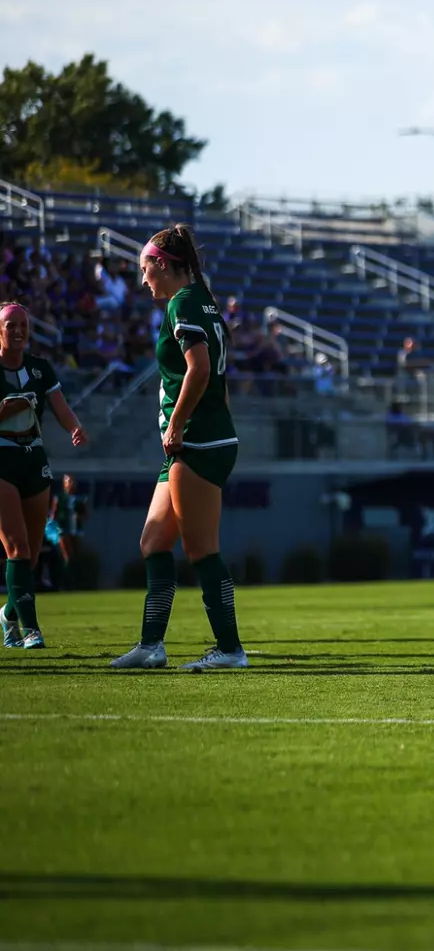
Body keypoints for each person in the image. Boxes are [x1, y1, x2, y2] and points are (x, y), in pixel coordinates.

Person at [110, 226, 246, 670]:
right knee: (153, 540)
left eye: (145, 268)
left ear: (164, 265)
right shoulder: (202, 301)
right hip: (205, 437)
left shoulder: (183, 303)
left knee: (202, 549)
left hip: (197, 440)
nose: (143, 278)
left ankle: (230, 649)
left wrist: (180, 424)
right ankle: (151, 646)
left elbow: (200, 371)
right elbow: (217, 381)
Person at [0, 303, 88, 649]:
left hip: (34, 459)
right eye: (10, 325)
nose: (18, 330)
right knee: (17, 547)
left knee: (32, 556)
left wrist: (75, 427)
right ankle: (31, 629)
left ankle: (8, 615)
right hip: (1, 459)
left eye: (23, 324)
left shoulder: (40, 369)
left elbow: (60, 407)